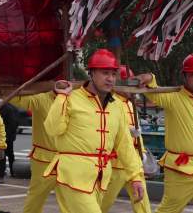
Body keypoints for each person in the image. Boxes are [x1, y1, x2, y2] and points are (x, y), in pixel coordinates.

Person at [43, 49, 144, 213]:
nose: (110, 79)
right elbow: (52, 129)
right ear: (91, 73)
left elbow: (125, 145)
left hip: (101, 178)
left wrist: (135, 177)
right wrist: (61, 97)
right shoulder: (71, 98)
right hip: (73, 176)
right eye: (105, 73)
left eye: (113, 74)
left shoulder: (117, 105)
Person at [138, 53, 193, 213]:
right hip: (181, 170)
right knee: (168, 211)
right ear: (184, 76)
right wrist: (150, 78)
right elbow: (151, 91)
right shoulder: (173, 98)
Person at [100, 65, 151, 213]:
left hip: (134, 163)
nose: (132, 88)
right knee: (101, 205)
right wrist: (128, 131)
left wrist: (142, 152)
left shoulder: (130, 102)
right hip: (115, 164)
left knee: (143, 207)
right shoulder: (109, 102)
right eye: (129, 84)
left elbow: (137, 134)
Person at [9, 91, 57, 213]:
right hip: (44, 159)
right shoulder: (41, 99)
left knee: (73, 198)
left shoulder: (76, 98)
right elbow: (14, 98)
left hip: (70, 159)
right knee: (37, 196)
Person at [0, 101, 19, 183]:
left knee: (5, 155)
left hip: (5, 136)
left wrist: (6, 138)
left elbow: (12, 124)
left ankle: (4, 174)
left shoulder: (8, 109)